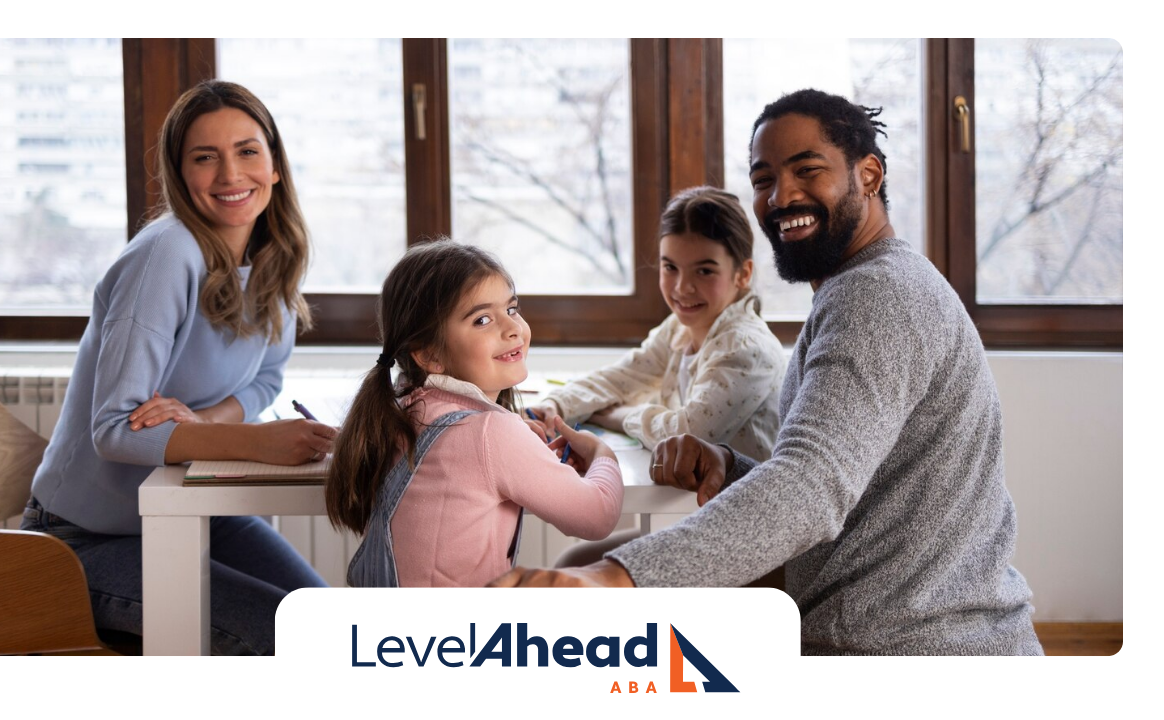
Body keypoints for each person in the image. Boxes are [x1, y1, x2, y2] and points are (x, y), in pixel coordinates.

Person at [492, 89, 1043, 656]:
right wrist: (731, 466)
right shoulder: (862, 287)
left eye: (807, 170)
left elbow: (812, 484)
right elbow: (853, 481)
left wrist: (617, 581)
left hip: (915, 646)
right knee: (587, 578)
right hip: (880, 617)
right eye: (763, 180)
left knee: (601, 619)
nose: (782, 196)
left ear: (869, 175)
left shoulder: (877, 295)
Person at [22, 80, 333, 655]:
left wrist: (201, 422)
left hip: (191, 513)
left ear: (275, 166)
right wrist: (252, 442)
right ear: (180, 174)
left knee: (332, 629)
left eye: (246, 151)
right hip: (83, 540)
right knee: (290, 641)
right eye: (204, 157)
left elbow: (266, 378)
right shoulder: (165, 254)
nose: (230, 175)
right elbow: (115, 430)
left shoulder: (274, 254)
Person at [325, 240, 624, 587]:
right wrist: (603, 455)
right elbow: (596, 517)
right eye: (482, 319)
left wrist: (518, 442)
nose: (512, 328)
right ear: (429, 355)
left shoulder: (403, 407)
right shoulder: (490, 433)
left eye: (511, 309)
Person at [523, 186, 785, 460]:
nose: (683, 288)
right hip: (688, 497)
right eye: (670, 267)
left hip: (746, 498)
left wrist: (621, 416)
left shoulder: (746, 348)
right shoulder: (680, 328)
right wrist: (555, 405)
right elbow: (622, 377)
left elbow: (689, 435)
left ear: (743, 274)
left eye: (704, 271)